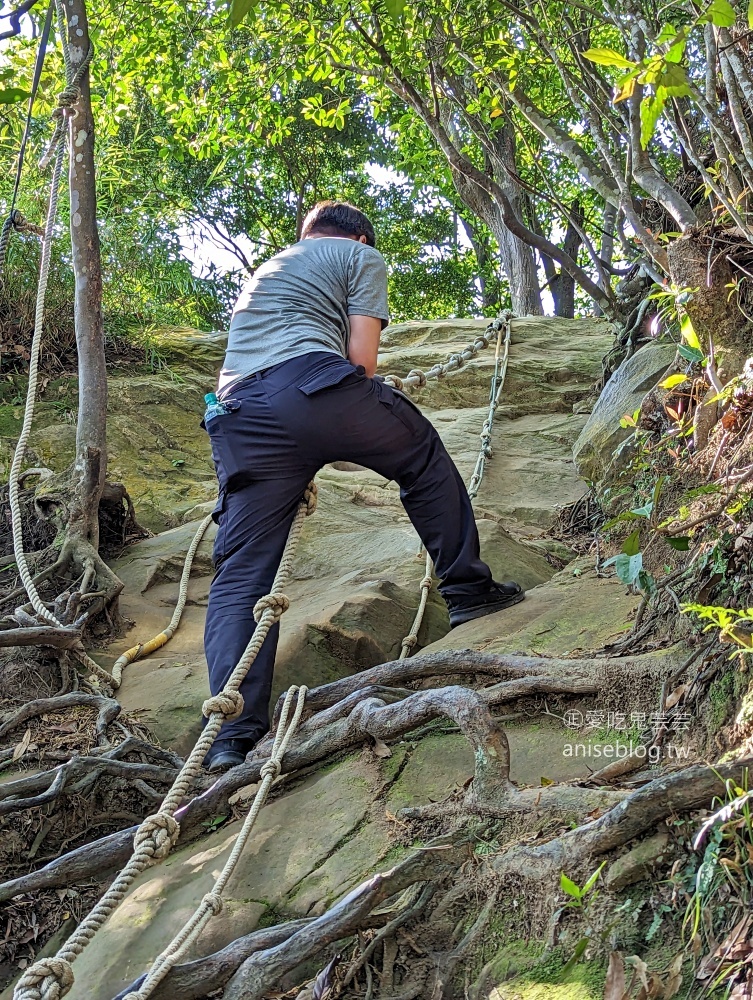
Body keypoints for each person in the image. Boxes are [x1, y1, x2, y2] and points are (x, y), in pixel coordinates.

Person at [201, 200, 524, 772]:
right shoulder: (357, 254)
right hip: (316, 389)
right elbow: (362, 361)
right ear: (360, 236)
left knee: (242, 576)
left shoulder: (269, 269)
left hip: (238, 417)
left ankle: (231, 736)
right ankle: (469, 592)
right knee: (422, 456)